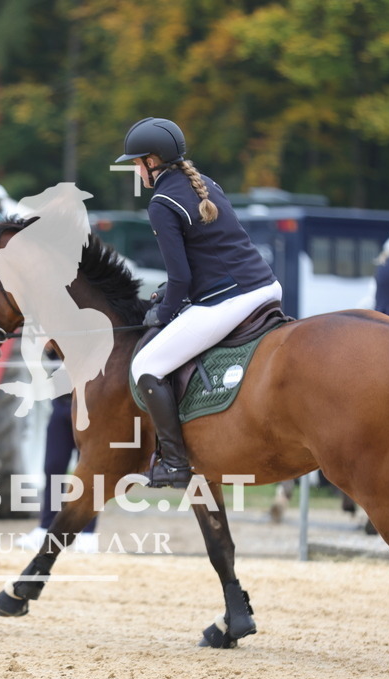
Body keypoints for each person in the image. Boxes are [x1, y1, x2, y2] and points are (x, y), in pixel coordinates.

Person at [115, 117, 282, 488]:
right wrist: (168, 295)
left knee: (146, 364)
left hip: (231, 300)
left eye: (137, 162)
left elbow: (182, 278)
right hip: (265, 287)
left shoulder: (161, 202)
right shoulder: (206, 184)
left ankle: (174, 462)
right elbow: (204, 259)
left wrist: (164, 313)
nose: (136, 169)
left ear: (153, 161)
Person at [16, 393, 100, 554]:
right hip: (62, 403)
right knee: (53, 466)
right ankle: (46, 527)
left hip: (93, 407)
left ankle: (87, 531)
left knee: (89, 473)